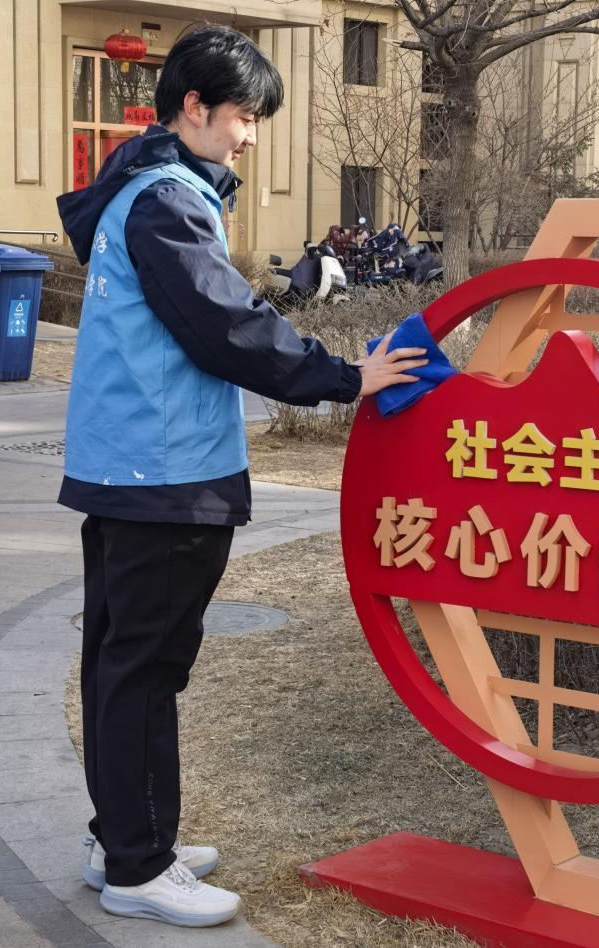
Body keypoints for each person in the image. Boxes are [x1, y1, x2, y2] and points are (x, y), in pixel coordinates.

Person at [54, 24, 427, 929]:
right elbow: (226, 326)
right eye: (245, 117)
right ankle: (140, 866)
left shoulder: (138, 190)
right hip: (165, 474)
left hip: (125, 465)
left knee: (119, 663)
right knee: (145, 670)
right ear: (195, 107)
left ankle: (124, 839)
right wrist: (345, 377)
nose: (251, 136)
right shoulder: (168, 202)